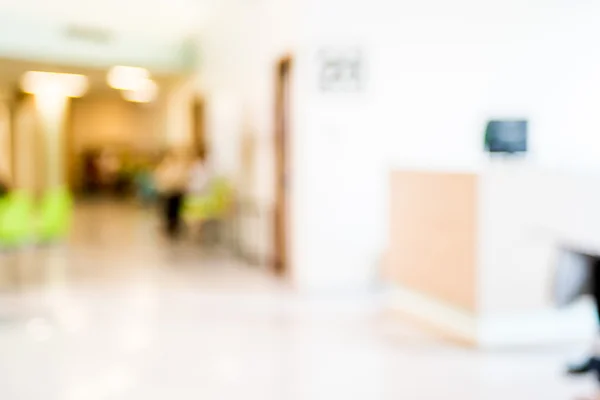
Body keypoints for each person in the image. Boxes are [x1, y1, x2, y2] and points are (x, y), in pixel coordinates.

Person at [154, 150, 190, 238]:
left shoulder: (179, 167)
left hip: (176, 192)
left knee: (175, 212)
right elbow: (160, 178)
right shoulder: (165, 167)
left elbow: (183, 178)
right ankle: (169, 226)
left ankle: (174, 226)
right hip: (167, 192)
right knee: (168, 211)